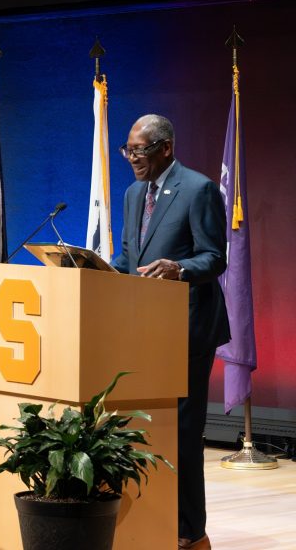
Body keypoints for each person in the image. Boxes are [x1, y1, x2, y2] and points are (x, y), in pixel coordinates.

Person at [112, 114, 229, 550]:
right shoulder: (130, 194)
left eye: (139, 150)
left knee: (181, 434)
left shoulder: (197, 189)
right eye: (128, 150)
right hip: (143, 331)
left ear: (165, 148)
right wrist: (92, 270)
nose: (132, 159)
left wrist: (180, 269)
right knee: (146, 432)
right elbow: (128, 258)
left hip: (188, 330)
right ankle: (151, 523)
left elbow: (215, 257)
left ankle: (191, 533)